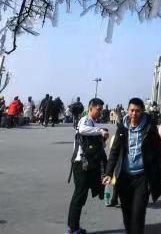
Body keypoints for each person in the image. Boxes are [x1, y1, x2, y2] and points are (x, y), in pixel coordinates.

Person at [103, 98, 161, 234]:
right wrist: (108, 173)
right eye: (132, 110)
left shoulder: (149, 129)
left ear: (142, 112)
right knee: (127, 213)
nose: (134, 113)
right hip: (124, 177)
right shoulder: (122, 128)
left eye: (137, 111)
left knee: (138, 213)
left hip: (142, 177)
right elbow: (114, 152)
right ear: (128, 111)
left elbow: (160, 151)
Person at [67, 98, 109, 234]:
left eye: (101, 110)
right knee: (79, 196)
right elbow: (82, 129)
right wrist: (100, 131)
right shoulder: (85, 120)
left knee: (82, 195)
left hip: (87, 164)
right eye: (98, 109)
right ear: (91, 108)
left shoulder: (92, 123)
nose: (100, 112)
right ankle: (72, 228)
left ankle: (74, 226)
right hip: (81, 164)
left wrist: (102, 139)